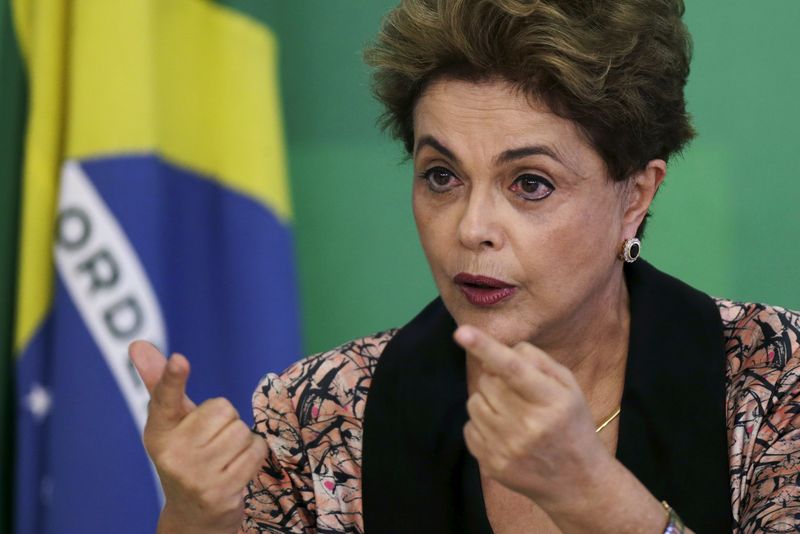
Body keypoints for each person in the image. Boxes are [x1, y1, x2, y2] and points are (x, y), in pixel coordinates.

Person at [130, 0, 800, 532]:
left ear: (636, 196)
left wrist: (592, 497)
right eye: (442, 175)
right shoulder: (319, 413)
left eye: (530, 183)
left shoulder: (776, 381)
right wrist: (196, 520)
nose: (471, 229)